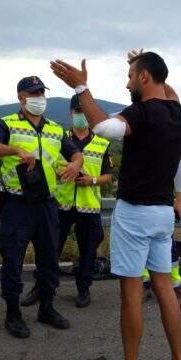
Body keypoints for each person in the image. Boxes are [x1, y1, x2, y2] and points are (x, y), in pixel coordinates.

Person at [51, 50, 181, 360]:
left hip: (135, 213)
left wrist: (81, 88)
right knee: (165, 287)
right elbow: (168, 89)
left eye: (130, 76)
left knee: (132, 292)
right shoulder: (178, 112)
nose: (127, 84)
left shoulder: (142, 112)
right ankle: (178, 356)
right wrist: (142, 64)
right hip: (164, 214)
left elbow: (104, 128)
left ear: (144, 77)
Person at [0, 76, 83, 339]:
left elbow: (75, 152)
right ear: (21, 97)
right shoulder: (7, 123)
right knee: (13, 259)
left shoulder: (55, 128)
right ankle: (13, 313)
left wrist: (75, 164)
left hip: (47, 204)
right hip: (16, 204)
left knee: (49, 258)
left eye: (41, 93)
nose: (39, 98)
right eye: (34, 93)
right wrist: (15, 150)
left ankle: (47, 307)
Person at [21, 94, 114, 308]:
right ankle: (42, 287)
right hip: (60, 204)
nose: (81, 116)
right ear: (71, 113)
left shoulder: (101, 143)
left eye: (84, 112)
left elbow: (109, 176)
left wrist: (90, 180)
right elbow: (47, 166)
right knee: (49, 249)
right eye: (77, 111)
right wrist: (63, 172)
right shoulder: (58, 138)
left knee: (88, 251)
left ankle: (83, 289)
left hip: (88, 206)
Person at [142, 158, 181, 309]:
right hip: (139, 202)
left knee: (169, 249)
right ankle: (144, 284)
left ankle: (175, 288)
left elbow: (178, 169)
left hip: (163, 202)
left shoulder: (171, 135)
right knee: (140, 247)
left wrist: (179, 199)